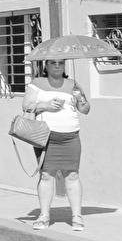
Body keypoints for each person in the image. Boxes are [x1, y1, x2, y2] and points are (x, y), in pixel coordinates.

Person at [25, 59, 90, 230]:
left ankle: (77, 217)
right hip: (46, 137)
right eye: (53, 63)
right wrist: (44, 105)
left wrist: (80, 98)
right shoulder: (37, 83)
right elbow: (26, 106)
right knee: (46, 175)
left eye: (61, 63)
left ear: (64, 66)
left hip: (70, 136)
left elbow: (85, 109)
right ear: (46, 66)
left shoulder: (73, 84)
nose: (57, 66)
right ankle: (44, 215)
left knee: (73, 175)